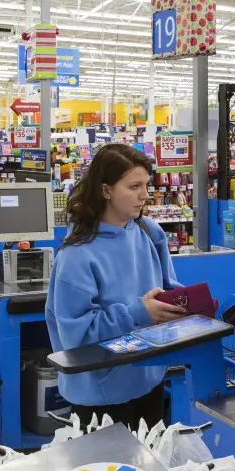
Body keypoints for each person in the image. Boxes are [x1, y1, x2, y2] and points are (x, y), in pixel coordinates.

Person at [45, 143, 185, 429]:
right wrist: (138, 313)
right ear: (106, 190)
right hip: (100, 395)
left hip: (149, 377)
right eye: (134, 186)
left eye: (146, 185)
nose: (145, 195)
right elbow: (77, 340)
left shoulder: (149, 231)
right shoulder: (76, 256)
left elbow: (168, 288)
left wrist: (187, 305)